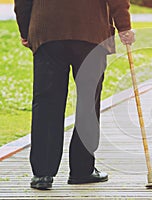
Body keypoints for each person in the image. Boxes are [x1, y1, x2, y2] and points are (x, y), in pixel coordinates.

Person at [14, 0, 135, 190]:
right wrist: (124, 26)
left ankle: (42, 173)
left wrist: (25, 29)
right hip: (91, 31)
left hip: (48, 30)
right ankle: (82, 169)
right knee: (88, 101)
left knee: (46, 102)